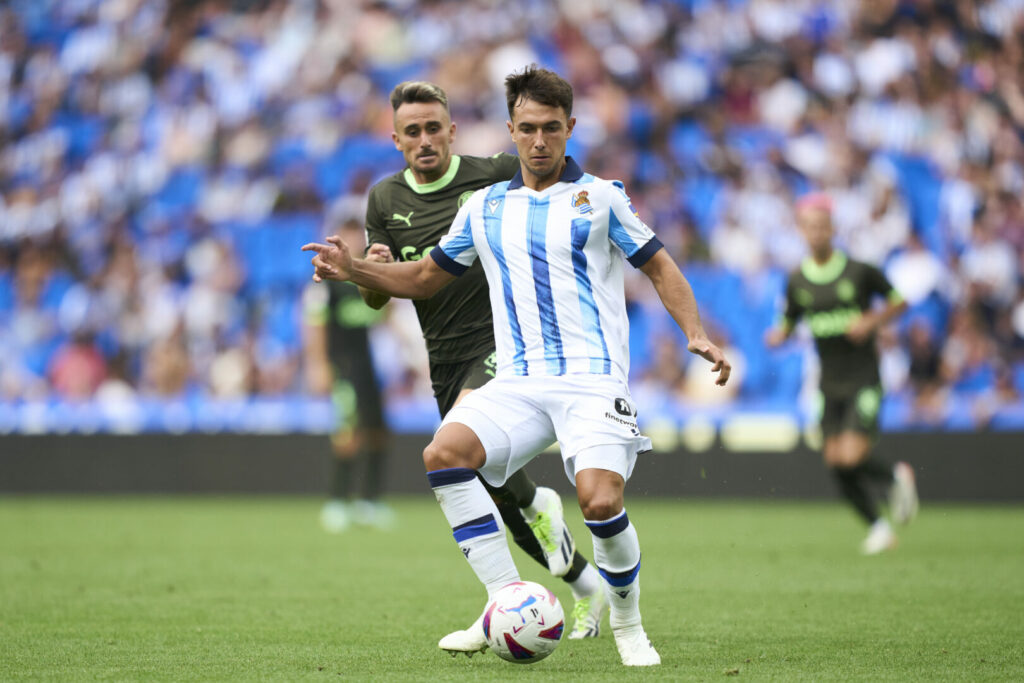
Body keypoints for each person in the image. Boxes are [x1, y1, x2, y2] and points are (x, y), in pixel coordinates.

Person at [304, 66, 731, 667]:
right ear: (509, 130)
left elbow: (659, 264)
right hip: (520, 381)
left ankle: (629, 626)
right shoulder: (483, 207)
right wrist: (355, 270)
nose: (538, 141)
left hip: (591, 379)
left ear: (569, 128)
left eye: (550, 129)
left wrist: (695, 332)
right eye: (526, 129)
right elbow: (425, 276)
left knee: (601, 503)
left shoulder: (601, 197)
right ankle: (505, 599)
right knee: (444, 454)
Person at [348, 81, 609, 647]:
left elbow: (563, 172)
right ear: (395, 140)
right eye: (412, 132)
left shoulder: (491, 172)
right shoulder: (384, 201)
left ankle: (499, 605)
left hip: (503, 348)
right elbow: (377, 297)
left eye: (433, 128)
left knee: (449, 455)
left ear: (451, 131)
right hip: (442, 358)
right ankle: (585, 583)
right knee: (496, 495)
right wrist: (373, 267)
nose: (424, 140)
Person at [766, 193, 919, 555]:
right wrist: (777, 336)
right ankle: (879, 527)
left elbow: (899, 301)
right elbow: (787, 323)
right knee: (834, 460)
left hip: (863, 376)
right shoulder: (797, 281)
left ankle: (896, 477)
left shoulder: (859, 271)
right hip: (828, 381)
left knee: (850, 456)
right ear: (801, 231)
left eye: (823, 226)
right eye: (810, 227)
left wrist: (872, 320)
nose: (817, 233)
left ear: (833, 229)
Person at [303, 218, 393, 532]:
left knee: (378, 431)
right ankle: (338, 501)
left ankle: (369, 501)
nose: (354, 242)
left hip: (368, 365)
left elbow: (384, 315)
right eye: (349, 237)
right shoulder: (326, 280)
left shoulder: (367, 279)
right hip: (341, 365)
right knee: (348, 434)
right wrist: (318, 365)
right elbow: (314, 324)